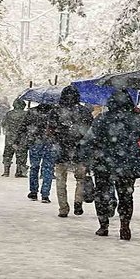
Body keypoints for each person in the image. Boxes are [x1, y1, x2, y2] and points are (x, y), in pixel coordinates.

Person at [80, 90, 140, 240]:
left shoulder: (102, 119)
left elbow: (89, 140)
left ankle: (103, 225)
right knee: (126, 196)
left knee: (102, 194)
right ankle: (124, 225)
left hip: (103, 163)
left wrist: (85, 156)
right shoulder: (135, 120)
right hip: (128, 163)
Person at [49, 85, 94, 218]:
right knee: (80, 179)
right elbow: (89, 132)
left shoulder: (56, 111)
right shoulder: (84, 111)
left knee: (60, 180)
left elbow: (51, 130)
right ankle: (78, 201)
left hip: (61, 150)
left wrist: (58, 137)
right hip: (80, 150)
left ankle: (63, 208)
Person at [25, 103, 56, 203]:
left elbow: (24, 126)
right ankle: (45, 194)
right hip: (50, 143)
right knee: (48, 168)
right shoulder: (54, 112)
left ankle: (33, 191)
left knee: (34, 167)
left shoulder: (32, 112)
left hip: (35, 142)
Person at [2, 98, 29, 177]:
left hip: (9, 137)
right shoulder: (26, 114)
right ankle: (19, 171)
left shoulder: (9, 113)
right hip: (21, 138)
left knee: (7, 154)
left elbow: (3, 124)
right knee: (21, 155)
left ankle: (6, 171)